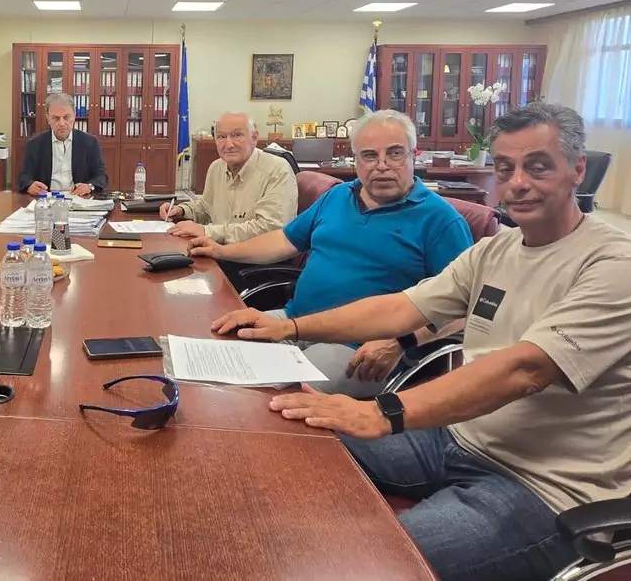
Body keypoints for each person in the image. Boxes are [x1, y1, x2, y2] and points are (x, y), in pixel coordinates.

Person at [210, 103, 631, 581]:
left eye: (538, 167)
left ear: (577, 169)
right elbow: (400, 308)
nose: (517, 183)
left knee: (366, 560)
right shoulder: (495, 251)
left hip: (540, 485)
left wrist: (380, 412)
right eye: (505, 168)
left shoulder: (613, 265)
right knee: (284, 442)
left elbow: (526, 370)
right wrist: (291, 327)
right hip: (457, 437)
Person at [190, 110, 472, 398]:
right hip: (292, 321)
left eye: (395, 153)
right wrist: (221, 250)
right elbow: (283, 241)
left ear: (414, 155)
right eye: (369, 155)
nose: (382, 165)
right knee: (216, 355)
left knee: (267, 396)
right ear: (355, 160)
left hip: (357, 348)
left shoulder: (440, 220)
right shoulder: (339, 196)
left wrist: (401, 342)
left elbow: (462, 309)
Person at [161, 112, 297, 286]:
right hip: (219, 255)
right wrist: (182, 210)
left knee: (183, 287)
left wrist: (207, 231)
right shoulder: (217, 167)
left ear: (254, 138)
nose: (229, 144)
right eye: (221, 137)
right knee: (166, 275)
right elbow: (206, 207)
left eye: (237, 135)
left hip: (256, 267)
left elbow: (269, 231)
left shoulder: (277, 170)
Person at [17, 92, 108, 197]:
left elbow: (101, 176)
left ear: (74, 116)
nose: (61, 123)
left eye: (66, 117)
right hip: (46, 198)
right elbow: (24, 177)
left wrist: (89, 187)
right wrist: (30, 185)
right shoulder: (34, 144)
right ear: (48, 118)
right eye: (55, 118)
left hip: (79, 198)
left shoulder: (90, 142)